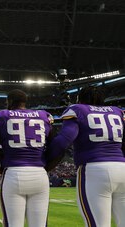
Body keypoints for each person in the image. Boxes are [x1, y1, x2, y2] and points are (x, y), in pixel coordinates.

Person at [48, 86, 125, 227]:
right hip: (122, 168)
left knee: (97, 224)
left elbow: (64, 140)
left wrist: (42, 159)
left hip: (94, 169)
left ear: (80, 99)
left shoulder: (78, 109)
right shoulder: (117, 112)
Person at [0, 89, 53, 227]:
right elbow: (58, 148)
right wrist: (46, 168)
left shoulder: (2, 115)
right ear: (24, 102)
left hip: (13, 173)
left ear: (9, 101)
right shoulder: (44, 115)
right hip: (39, 173)